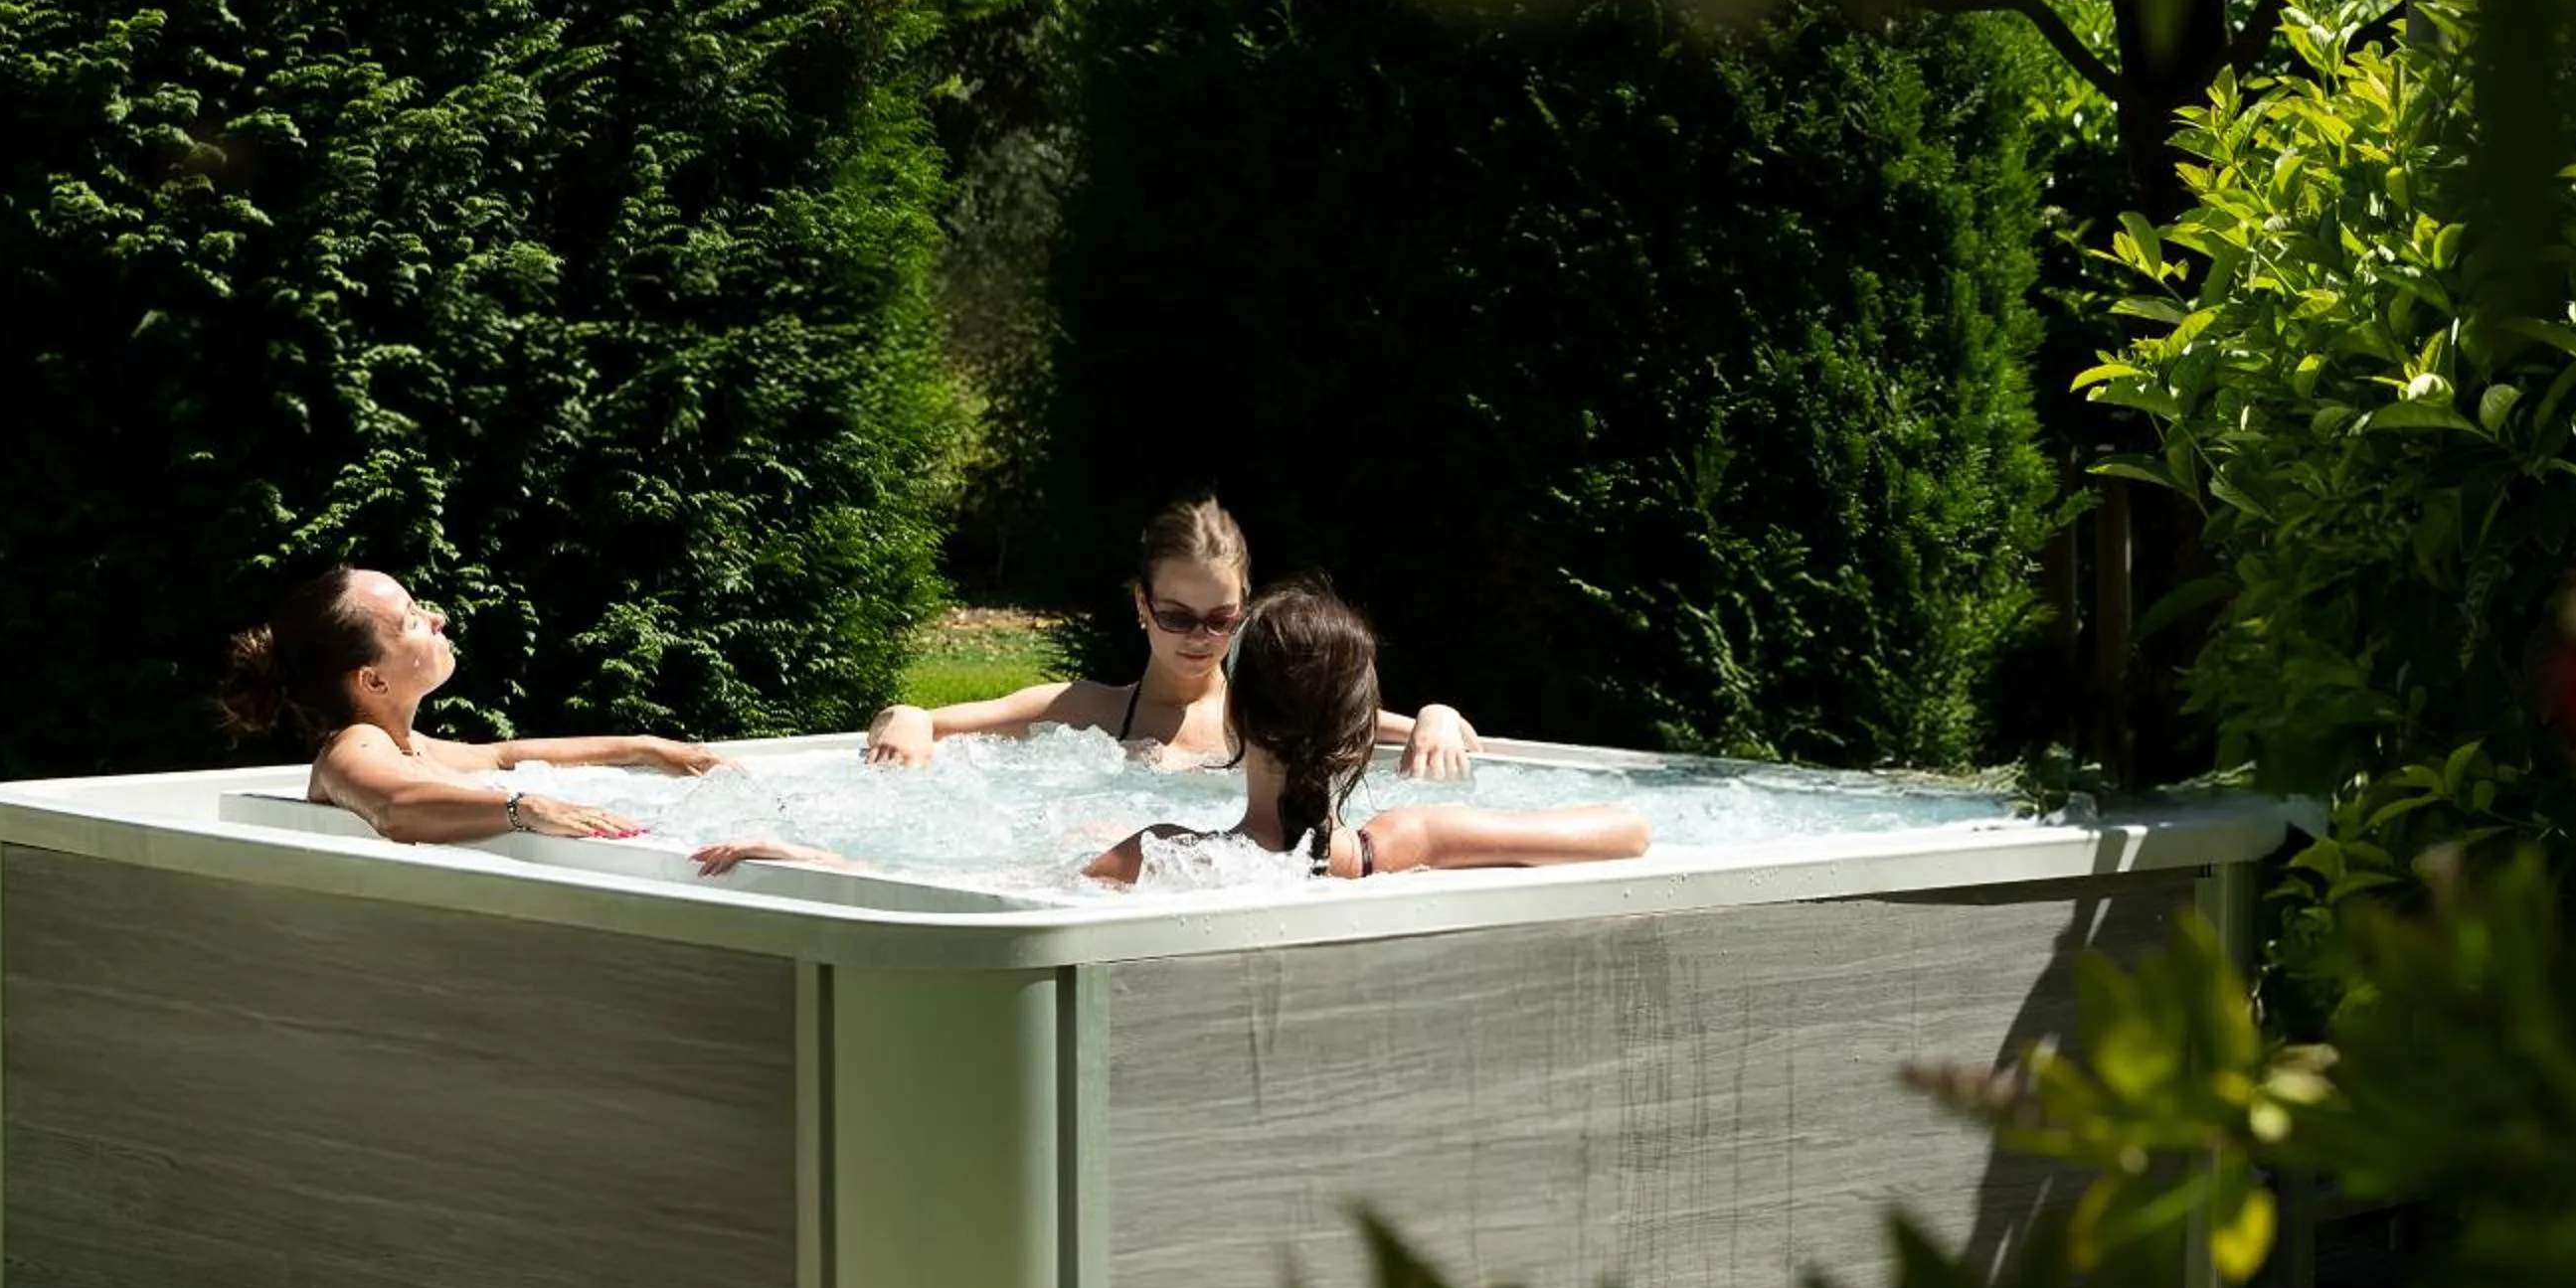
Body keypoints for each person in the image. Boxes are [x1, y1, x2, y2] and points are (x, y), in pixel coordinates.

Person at [860, 498, 1481, 776]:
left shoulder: (1267, 709)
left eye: (1221, 619)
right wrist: (910, 716)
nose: (1199, 637)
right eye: (1178, 617)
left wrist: (1436, 713)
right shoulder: (1088, 709)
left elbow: (1389, 721)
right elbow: (920, 718)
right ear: (1143, 605)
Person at [1081, 582, 1647, 886]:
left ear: (1233, 720)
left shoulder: (1160, 857)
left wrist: (1102, 844)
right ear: (1356, 737)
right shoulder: (1410, 840)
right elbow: (1629, 832)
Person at [220, 567, 722, 844]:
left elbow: (504, 755)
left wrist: (643, 747)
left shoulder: (406, 745)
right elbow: (393, 808)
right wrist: (525, 810)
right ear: (371, 680)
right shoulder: (354, 747)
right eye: (412, 621)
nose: (436, 618)